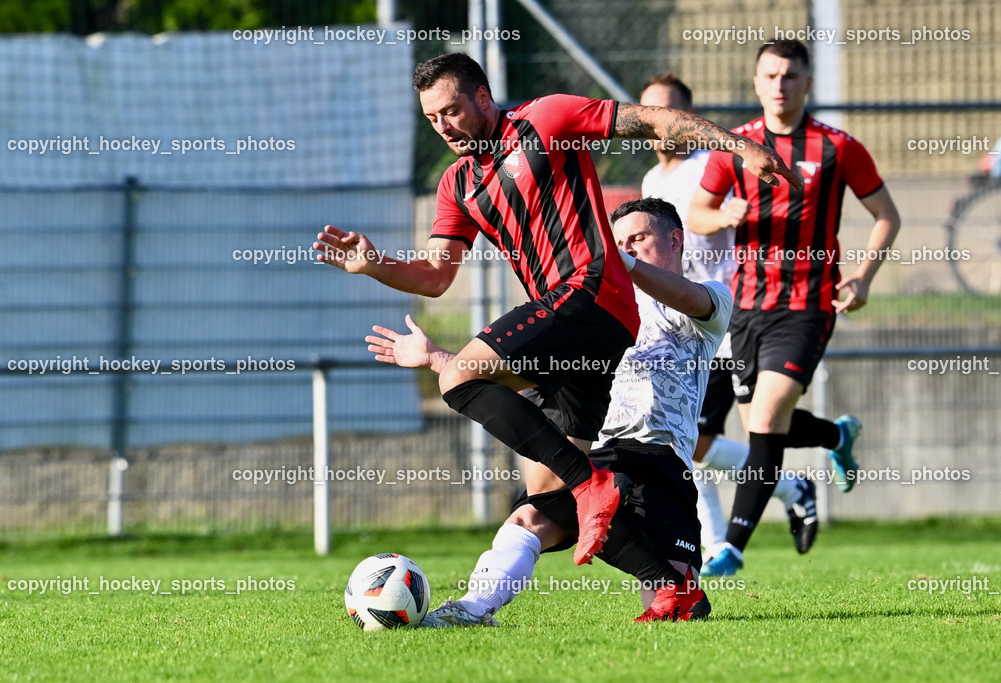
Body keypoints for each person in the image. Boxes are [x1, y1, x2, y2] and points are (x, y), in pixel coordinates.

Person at [316, 52, 800, 567]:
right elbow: (436, 276)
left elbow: (654, 120)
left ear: (483, 96)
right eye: (432, 118)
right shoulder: (456, 185)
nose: (444, 126)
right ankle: (665, 584)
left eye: (452, 110)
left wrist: (740, 145)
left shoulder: (546, 120)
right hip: (570, 326)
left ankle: (592, 483)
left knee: (459, 379)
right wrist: (375, 264)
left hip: (591, 292)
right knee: (545, 496)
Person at [366, 197, 731, 624]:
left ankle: (672, 584)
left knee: (679, 611)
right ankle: (472, 609)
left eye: (639, 238)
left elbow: (690, 297)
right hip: (593, 455)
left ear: (675, 239)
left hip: (659, 461)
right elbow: (516, 384)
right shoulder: (594, 314)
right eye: (618, 243)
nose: (626, 249)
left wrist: (620, 262)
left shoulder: (708, 301)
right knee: (530, 516)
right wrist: (436, 358)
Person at [686, 40, 901, 576]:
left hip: (807, 304)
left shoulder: (837, 147)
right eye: (770, 76)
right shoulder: (736, 147)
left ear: (807, 83)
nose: (779, 85)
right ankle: (836, 436)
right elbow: (695, 213)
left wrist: (865, 277)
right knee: (763, 424)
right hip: (745, 308)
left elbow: (886, 215)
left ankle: (731, 550)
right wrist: (722, 214)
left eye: (790, 76)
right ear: (756, 83)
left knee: (765, 414)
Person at [640, 72, 828, 559]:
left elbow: (729, 222)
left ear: (688, 119)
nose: (658, 124)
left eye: (669, 113)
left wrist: (726, 215)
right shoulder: (651, 181)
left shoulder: (713, 165)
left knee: (694, 438)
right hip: (680, 329)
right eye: (648, 113)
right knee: (689, 440)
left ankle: (719, 545)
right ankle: (785, 493)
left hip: (724, 324)